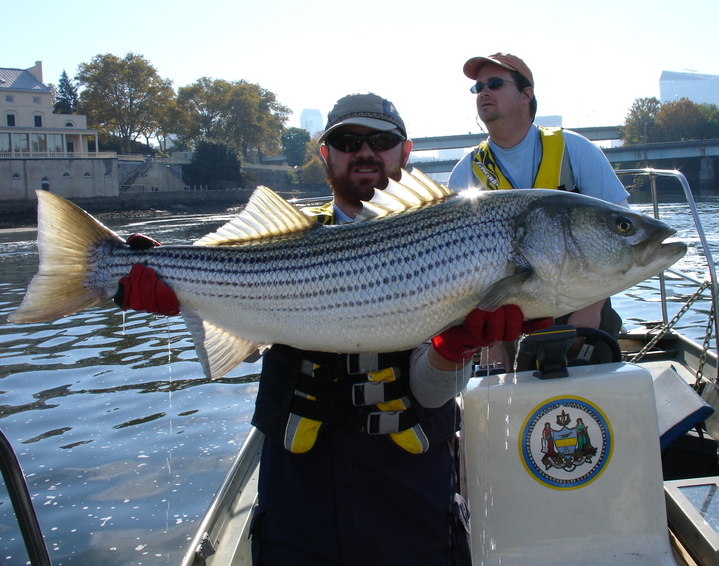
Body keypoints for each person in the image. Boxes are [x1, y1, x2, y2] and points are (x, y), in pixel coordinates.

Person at [114, 92, 550, 566]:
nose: (365, 151)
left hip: (411, 490)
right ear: (326, 155)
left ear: (406, 152)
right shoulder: (281, 236)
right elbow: (230, 315)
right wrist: (165, 281)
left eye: (381, 140)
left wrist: (456, 345)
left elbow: (432, 391)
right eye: (347, 140)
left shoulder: (458, 235)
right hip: (298, 494)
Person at [448, 53, 630, 365]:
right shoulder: (466, 173)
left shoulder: (576, 151)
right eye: (478, 88)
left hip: (582, 305)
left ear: (526, 94)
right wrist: (487, 342)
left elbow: (621, 239)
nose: (484, 93)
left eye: (494, 84)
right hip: (500, 322)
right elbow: (453, 268)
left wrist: (592, 309)